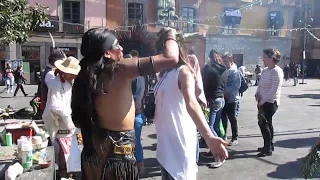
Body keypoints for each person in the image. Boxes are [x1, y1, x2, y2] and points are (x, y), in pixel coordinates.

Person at [71, 27, 228, 179]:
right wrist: (169, 34)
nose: (121, 49)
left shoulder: (85, 75)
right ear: (107, 53)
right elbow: (170, 57)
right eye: (117, 45)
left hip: (94, 153)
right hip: (116, 157)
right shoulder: (119, 69)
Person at [154, 43, 228, 179]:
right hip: (165, 143)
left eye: (166, 50)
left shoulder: (183, 71)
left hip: (180, 141)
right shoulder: (164, 74)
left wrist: (209, 137)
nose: (162, 55)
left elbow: (192, 103)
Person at [42, 56, 81, 178]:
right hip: (58, 120)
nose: (75, 76)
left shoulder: (69, 81)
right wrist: (70, 123)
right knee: (64, 147)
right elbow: (55, 106)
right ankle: (63, 171)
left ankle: (67, 170)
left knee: (68, 147)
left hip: (66, 119)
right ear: (65, 72)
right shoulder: (57, 83)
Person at [255, 49, 284, 157]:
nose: (263, 59)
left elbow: (274, 90)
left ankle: (267, 148)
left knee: (263, 124)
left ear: (271, 58)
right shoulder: (265, 70)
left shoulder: (277, 71)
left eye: (265, 57)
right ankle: (269, 145)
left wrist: (262, 101)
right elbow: (260, 84)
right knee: (267, 123)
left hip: (271, 102)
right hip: (262, 101)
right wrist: (257, 93)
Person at [221, 54, 241, 146]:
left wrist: (227, 92)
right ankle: (224, 135)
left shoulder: (235, 71)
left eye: (227, 61)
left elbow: (236, 86)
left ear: (231, 61)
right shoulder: (225, 70)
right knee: (223, 118)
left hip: (232, 99)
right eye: (223, 61)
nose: (225, 63)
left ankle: (235, 137)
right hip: (223, 98)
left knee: (232, 118)